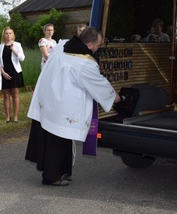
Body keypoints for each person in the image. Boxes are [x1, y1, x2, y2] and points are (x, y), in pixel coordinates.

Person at [26, 27, 119, 186]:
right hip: (63, 107)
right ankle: (52, 177)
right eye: (98, 45)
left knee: (55, 140)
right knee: (58, 142)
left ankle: (63, 172)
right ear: (89, 44)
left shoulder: (62, 47)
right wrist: (115, 97)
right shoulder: (85, 63)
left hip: (49, 100)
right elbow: (99, 85)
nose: (98, 48)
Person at [0, 27, 25, 123]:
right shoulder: (1, 46)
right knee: (6, 95)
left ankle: (16, 116)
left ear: (13, 35)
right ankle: (7, 116)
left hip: (15, 71)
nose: (8, 35)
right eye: (6, 33)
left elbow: (22, 58)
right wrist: (3, 72)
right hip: (4, 72)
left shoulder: (17, 45)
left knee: (15, 94)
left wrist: (14, 50)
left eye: (10, 33)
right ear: (4, 35)